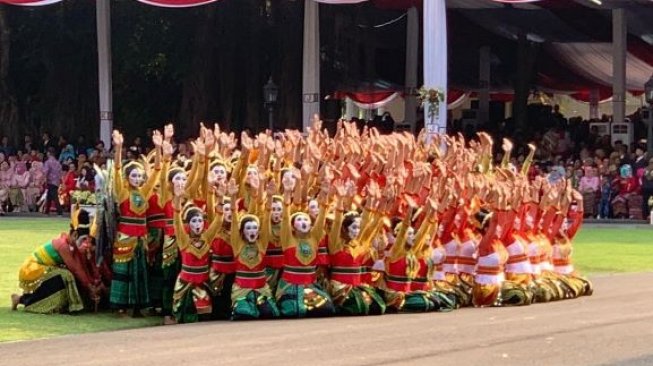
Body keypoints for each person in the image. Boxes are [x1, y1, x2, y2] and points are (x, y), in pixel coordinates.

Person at [11, 208, 106, 313]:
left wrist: (94, 283)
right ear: (74, 235)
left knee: (66, 275)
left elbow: (82, 267)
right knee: (66, 275)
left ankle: (22, 299)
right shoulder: (63, 246)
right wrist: (90, 287)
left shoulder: (73, 246)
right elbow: (76, 269)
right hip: (32, 269)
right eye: (83, 239)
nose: (86, 243)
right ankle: (22, 299)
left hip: (47, 269)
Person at [110, 130, 162, 317]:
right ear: (127, 177)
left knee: (140, 272)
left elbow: (156, 172)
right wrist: (119, 148)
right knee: (124, 273)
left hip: (141, 239)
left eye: (140, 176)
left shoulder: (144, 191)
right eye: (134, 176)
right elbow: (116, 170)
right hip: (126, 238)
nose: (138, 179)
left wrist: (158, 148)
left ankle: (139, 305)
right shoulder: (123, 191)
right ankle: (120, 305)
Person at [42, 148, 63, 216]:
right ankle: (47, 211)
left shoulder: (48, 162)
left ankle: (60, 211)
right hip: (56, 181)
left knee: (54, 196)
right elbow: (60, 173)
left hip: (50, 181)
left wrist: (44, 180)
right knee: (49, 196)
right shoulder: (58, 162)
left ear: (48, 153)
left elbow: (45, 172)